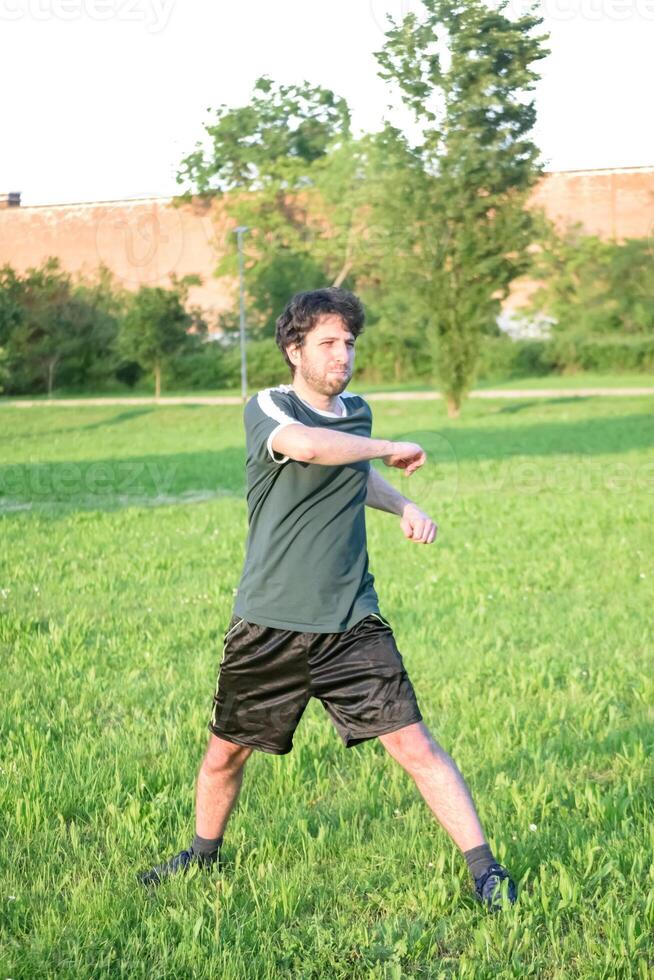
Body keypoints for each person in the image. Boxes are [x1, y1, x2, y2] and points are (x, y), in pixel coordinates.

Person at [138, 287, 517, 910]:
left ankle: (485, 871)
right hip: (270, 621)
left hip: (350, 620)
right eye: (329, 344)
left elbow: (353, 471)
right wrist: (389, 448)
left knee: (415, 745)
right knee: (224, 755)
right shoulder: (269, 406)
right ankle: (200, 857)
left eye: (349, 343)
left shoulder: (357, 411)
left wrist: (403, 502)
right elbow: (311, 447)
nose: (343, 356)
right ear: (295, 350)